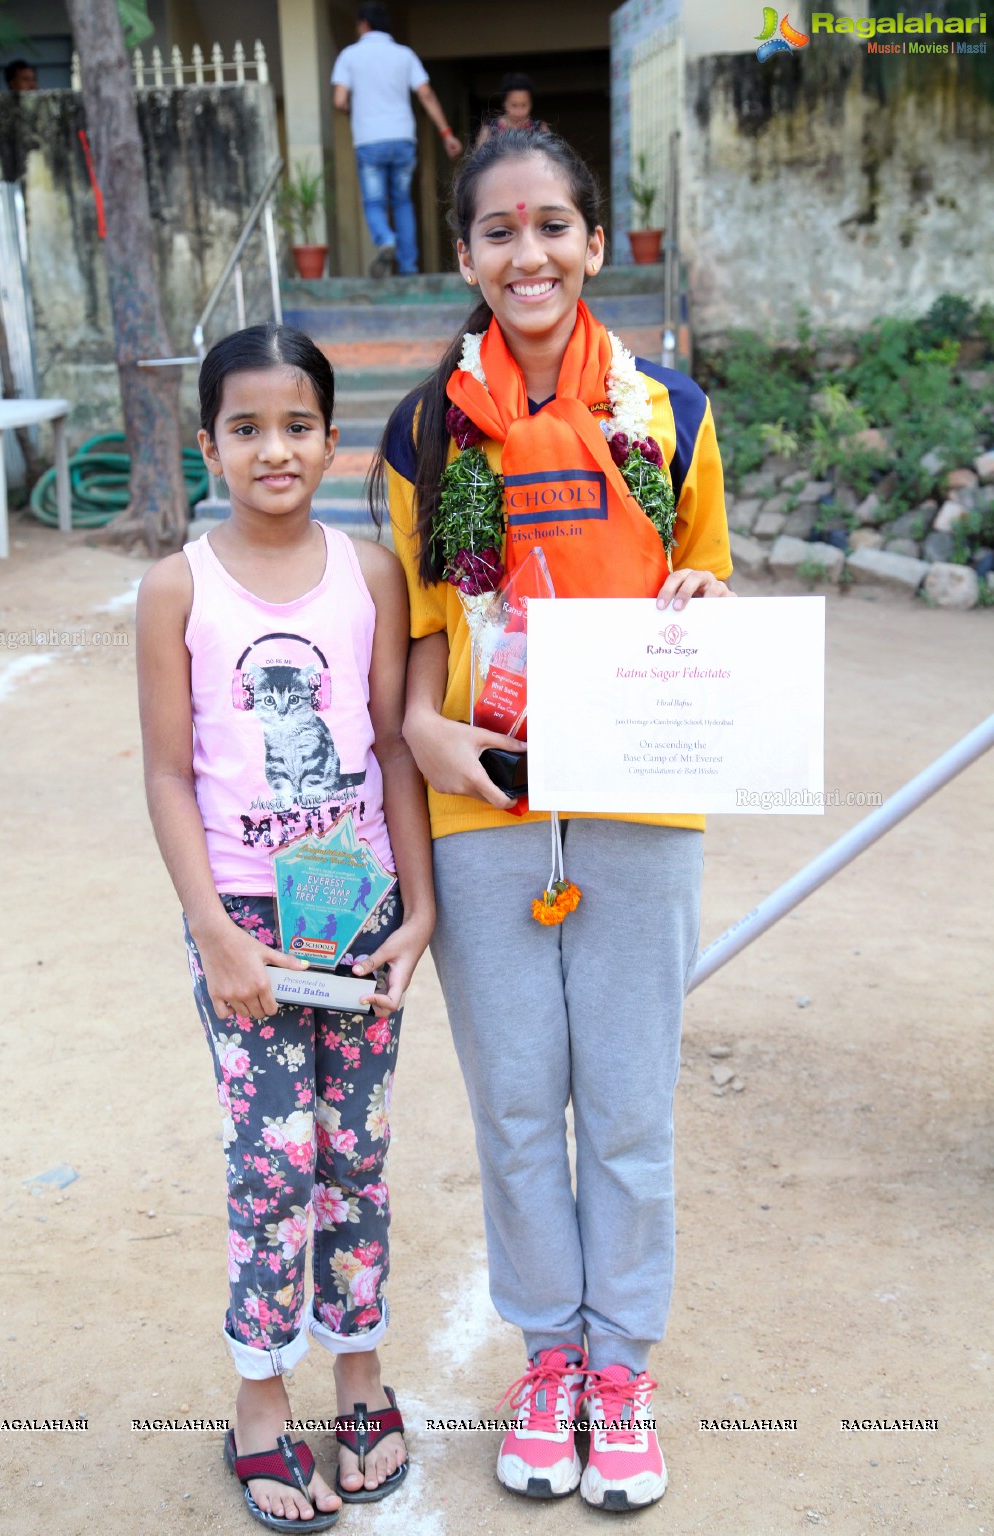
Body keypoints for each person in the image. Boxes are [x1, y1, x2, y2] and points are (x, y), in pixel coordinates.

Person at [372, 129, 733, 1512]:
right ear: (464, 256)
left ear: (596, 242)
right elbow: (414, 643)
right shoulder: (422, 432)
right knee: (520, 1109)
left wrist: (705, 606)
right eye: (500, 232)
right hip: (486, 813)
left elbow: (702, 578)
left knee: (631, 1114)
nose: (530, 254)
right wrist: (427, 731)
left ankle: (622, 1371)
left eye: (555, 226)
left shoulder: (673, 415)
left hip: (641, 805)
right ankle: (549, 1362)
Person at [137, 322, 434, 1531]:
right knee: (273, 1164)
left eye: (297, 425)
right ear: (209, 443)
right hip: (246, 926)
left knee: (353, 1159)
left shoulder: (369, 575)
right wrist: (210, 927)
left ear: (330, 435)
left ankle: (358, 1377)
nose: (275, 448)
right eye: (247, 427)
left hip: (355, 910)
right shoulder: (177, 589)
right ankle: (261, 1399)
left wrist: (416, 910)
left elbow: (392, 753)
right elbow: (167, 774)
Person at [331, 2, 462, 278]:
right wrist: (446, 134)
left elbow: (339, 100)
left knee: (375, 202)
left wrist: (354, 110)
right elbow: (426, 95)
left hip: (369, 140)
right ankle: (408, 266)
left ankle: (385, 240)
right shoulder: (405, 55)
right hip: (403, 138)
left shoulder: (349, 55)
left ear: (363, 24)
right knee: (402, 201)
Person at [475, 73, 548, 146]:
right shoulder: (490, 130)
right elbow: (480, 155)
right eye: (514, 105)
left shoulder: (539, 128)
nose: (519, 111)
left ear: (531, 103)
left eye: (524, 105)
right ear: (504, 103)